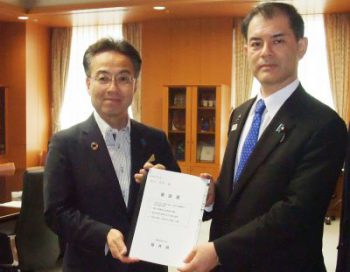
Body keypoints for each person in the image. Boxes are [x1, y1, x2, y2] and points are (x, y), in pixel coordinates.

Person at [179, 2, 348, 272]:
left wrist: (219, 251)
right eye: (256, 43)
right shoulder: (240, 114)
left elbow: (296, 212)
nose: (266, 52)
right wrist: (213, 195)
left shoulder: (324, 124)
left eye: (278, 40)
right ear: (245, 50)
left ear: (301, 46)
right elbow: (238, 186)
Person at [44, 38, 180, 272]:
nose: (113, 88)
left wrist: (165, 183)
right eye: (103, 77)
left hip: (148, 266)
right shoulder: (65, 143)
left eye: (123, 78)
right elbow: (56, 212)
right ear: (88, 84)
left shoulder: (155, 139)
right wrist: (102, 234)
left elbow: (178, 201)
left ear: (134, 85)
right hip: (90, 264)